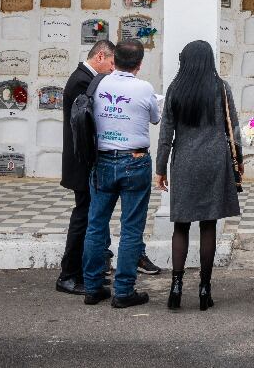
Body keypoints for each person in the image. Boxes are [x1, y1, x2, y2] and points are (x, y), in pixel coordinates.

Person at [156, 39, 242, 311]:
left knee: (181, 225)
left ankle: (176, 287)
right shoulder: (221, 88)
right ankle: (205, 288)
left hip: (184, 161)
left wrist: (160, 168)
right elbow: (234, 127)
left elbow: (166, 132)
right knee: (208, 224)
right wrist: (238, 162)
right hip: (215, 161)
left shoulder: (175, 88)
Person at [82, 39, 161, 309]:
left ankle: (92, 287)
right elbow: (155, 117)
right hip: (135, 161)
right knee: (131, 228)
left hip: (102, 160)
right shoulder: (144, 88)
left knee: (96, 224)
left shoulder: (99, 83)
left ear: (113, 60)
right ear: (140, 64)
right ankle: (124, 291)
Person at [56, 39, 116, 295]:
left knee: (88, 216)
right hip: (81, 163)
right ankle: (68, 275)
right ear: (100, 56)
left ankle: (85, 272)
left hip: (82, 161)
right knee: (82, 219)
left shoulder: (84, 77)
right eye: (112, 63)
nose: (113, 69)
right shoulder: (82, 80)